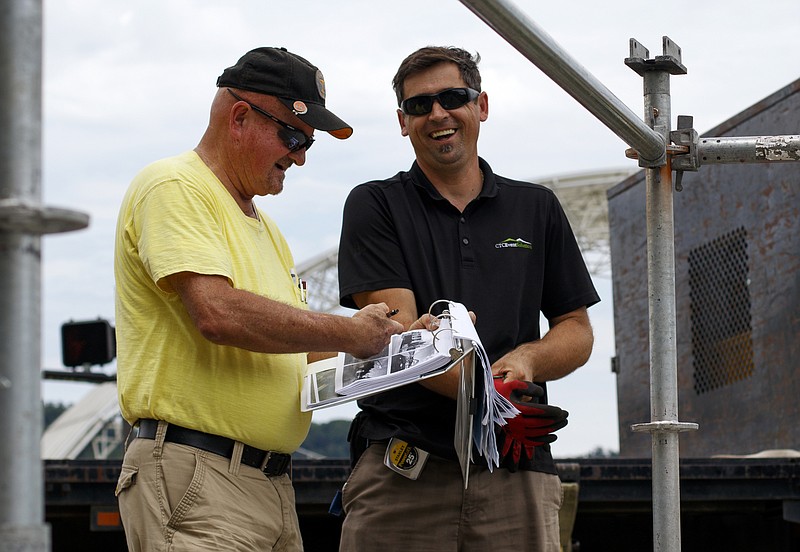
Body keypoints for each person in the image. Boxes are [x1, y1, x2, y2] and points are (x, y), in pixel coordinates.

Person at [113, 47, 403, 552]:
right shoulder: (175, 186)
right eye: (293, 136)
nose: (300, 156)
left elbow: (297, 351)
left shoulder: (267, 230)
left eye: (309, 143)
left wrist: (399, 347)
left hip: (265, 485)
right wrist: (350, 331)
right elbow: (218, 313)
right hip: (199, 477)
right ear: (241, 117)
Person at [336, 46, 600, 552]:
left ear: (481, 105)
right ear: (402, 121)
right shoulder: (375, 205)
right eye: (419, 105)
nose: (437, 114)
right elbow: (404, 340)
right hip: (403, 472)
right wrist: (493, 398)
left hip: (517, 471)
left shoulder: (537, 208)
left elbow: (577, 329)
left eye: (452, 97)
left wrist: (529, 358)